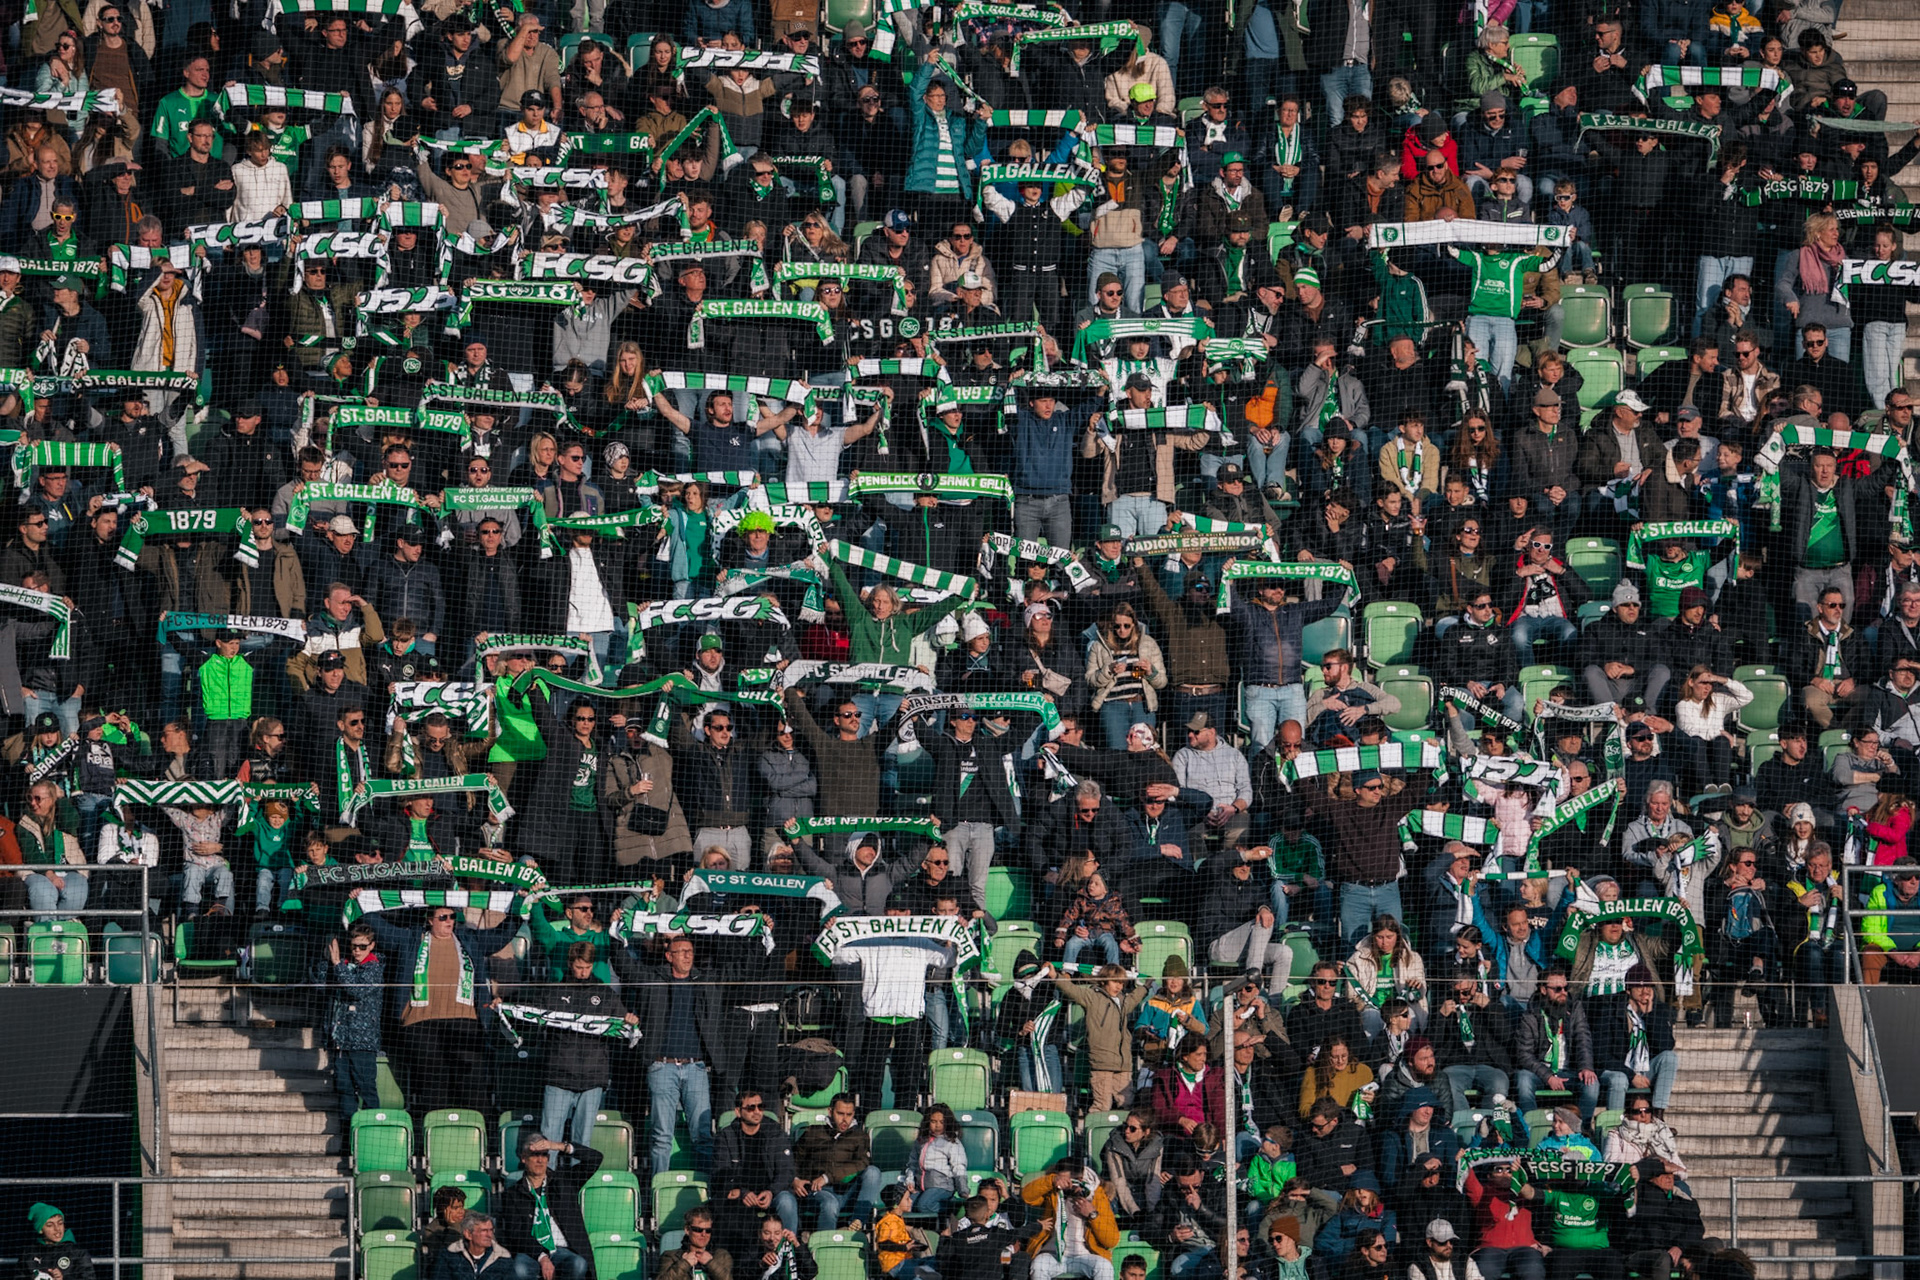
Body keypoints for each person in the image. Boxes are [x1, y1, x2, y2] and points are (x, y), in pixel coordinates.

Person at [496, 1131, 603, 1280]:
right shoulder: (512, 1194)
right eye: (535, 1155)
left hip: (564, 1250)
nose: (540, 1160)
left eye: (544, 1154)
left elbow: (595, 1158)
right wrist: (542, 1257)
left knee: (578, 1264)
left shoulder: (565, 1182)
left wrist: (557, 1146)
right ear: (524, 1158)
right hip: (532, 1252)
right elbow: (516, 1234)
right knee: (519, 1269)